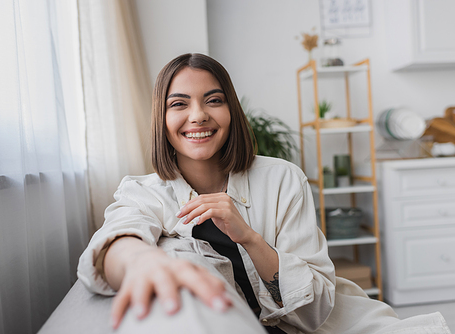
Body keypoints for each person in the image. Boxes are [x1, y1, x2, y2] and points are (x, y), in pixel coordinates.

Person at [77, 53, 450, 334]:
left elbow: (315, 310)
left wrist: (250, 238)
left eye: (214, 100)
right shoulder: (144, 192)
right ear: (162, 117)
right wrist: (143, 262)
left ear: (231, 110)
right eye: (179, 104)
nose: (198, 116)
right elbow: (116, 242)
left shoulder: (282, 178)